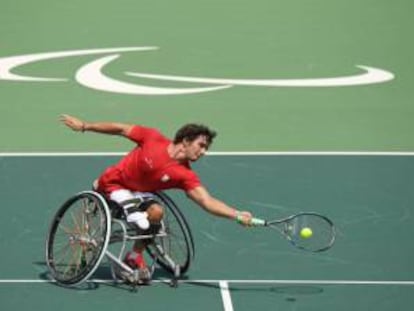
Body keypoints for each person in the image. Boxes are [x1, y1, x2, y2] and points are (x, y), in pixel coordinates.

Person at [59, 114, 253, 283]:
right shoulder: (152, 138)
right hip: (113, 185)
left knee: (157, 212)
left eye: (206, 148)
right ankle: (133, 215)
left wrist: (236, 214)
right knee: (136, 211)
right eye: (201, 145)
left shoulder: (184, 175)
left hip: (140, 194)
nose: (203, 152)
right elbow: (121, 128)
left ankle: (134, 256)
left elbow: (206, 201)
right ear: (185, 140)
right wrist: (85, 126)